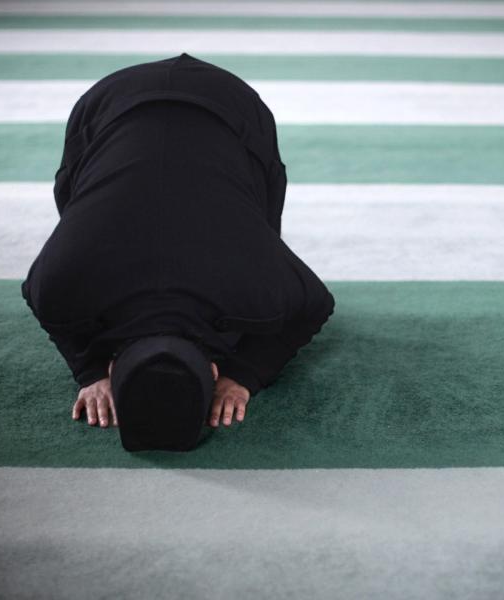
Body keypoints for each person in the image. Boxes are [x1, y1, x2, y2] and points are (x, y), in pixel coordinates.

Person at [20, 53, 335, 451]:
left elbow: (316, 304)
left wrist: (245, 374)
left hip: (216, 107)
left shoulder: (254, 281)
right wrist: (88, 369)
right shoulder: (61, 283)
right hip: (120, 102)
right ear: (213, 368)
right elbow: (313, 304)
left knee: (254, 220)